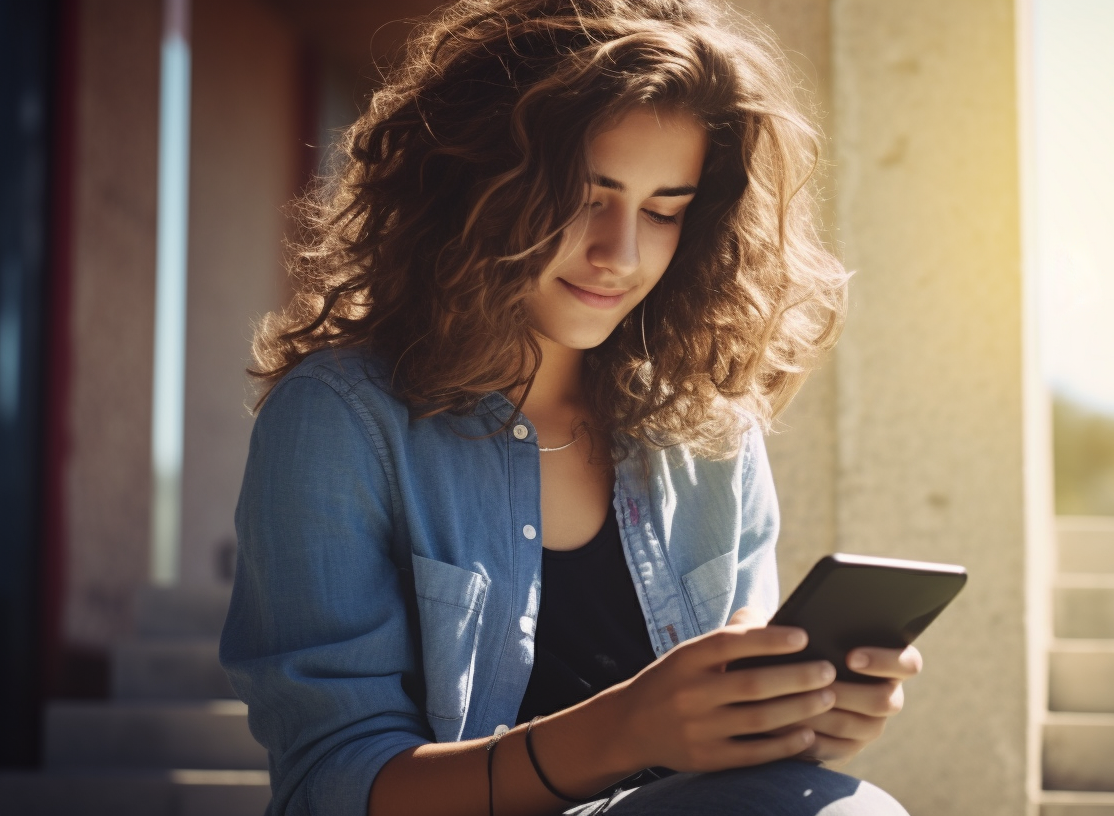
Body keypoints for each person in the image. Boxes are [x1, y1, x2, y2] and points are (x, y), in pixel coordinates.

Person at [220, 1, 920, 814]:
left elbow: (732, 748)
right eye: (587, 197)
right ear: (482, 181)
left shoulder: (708, 433)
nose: (619, 254)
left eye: (663, 211)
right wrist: (622, 730)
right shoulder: (341, 421)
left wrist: (802, 720)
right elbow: (330, 788)